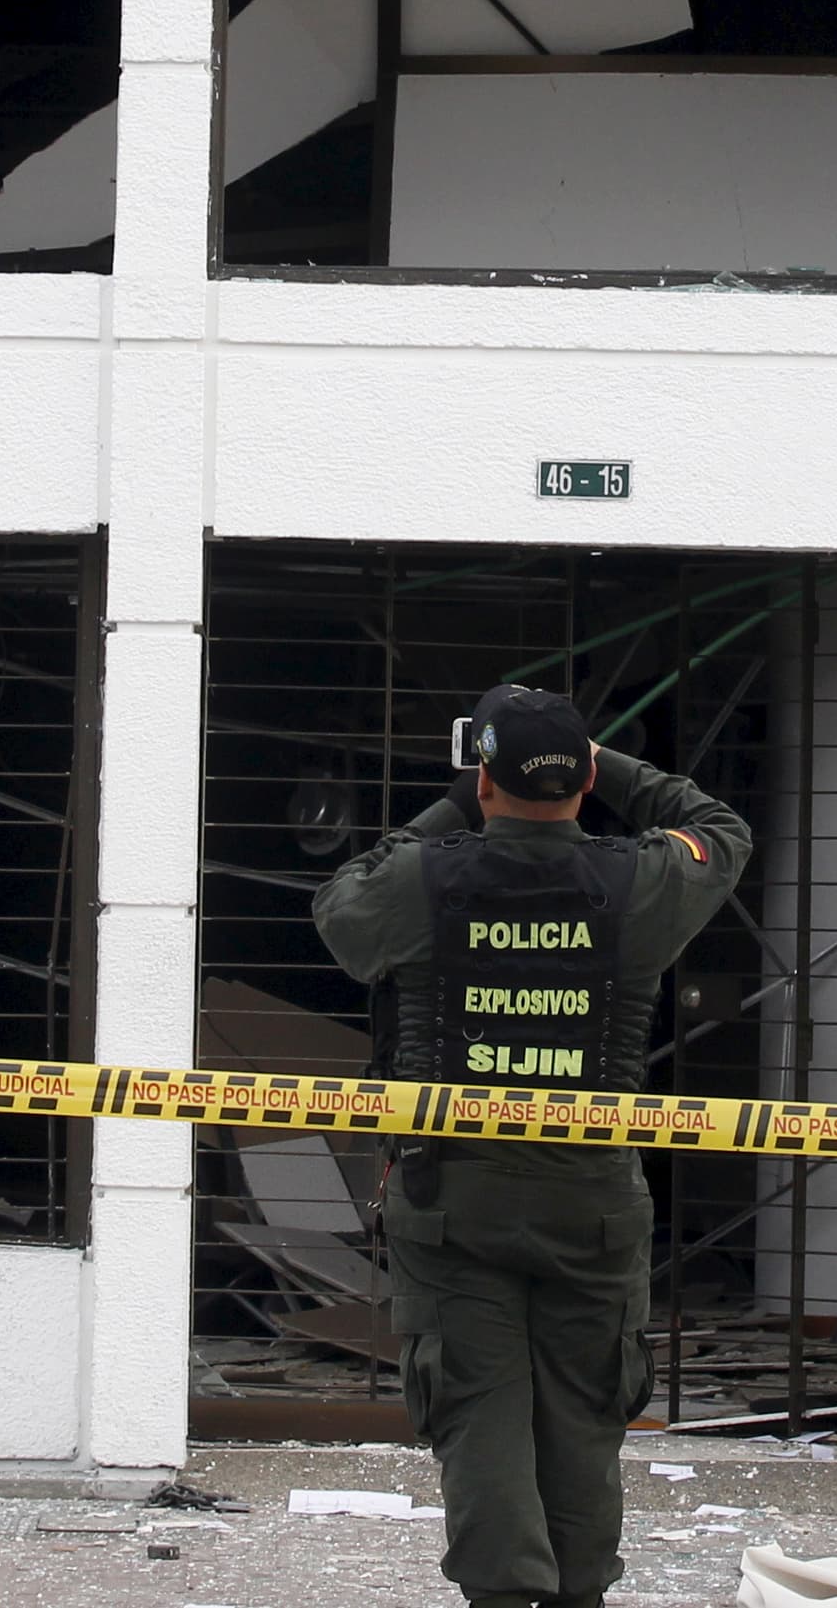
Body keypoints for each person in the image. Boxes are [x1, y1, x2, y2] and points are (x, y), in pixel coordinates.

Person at [311, 682, 750, 1608]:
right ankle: (578, 1594)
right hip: (591, 1200)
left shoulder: (423, 873)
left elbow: (339, 908)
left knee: (478, 1417)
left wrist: (456, 802)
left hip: (452, 1198)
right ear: (587, 777)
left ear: (485, 773)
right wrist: (608, 765)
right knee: (584, 1423)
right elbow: (720, 828)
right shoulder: (643, 879)